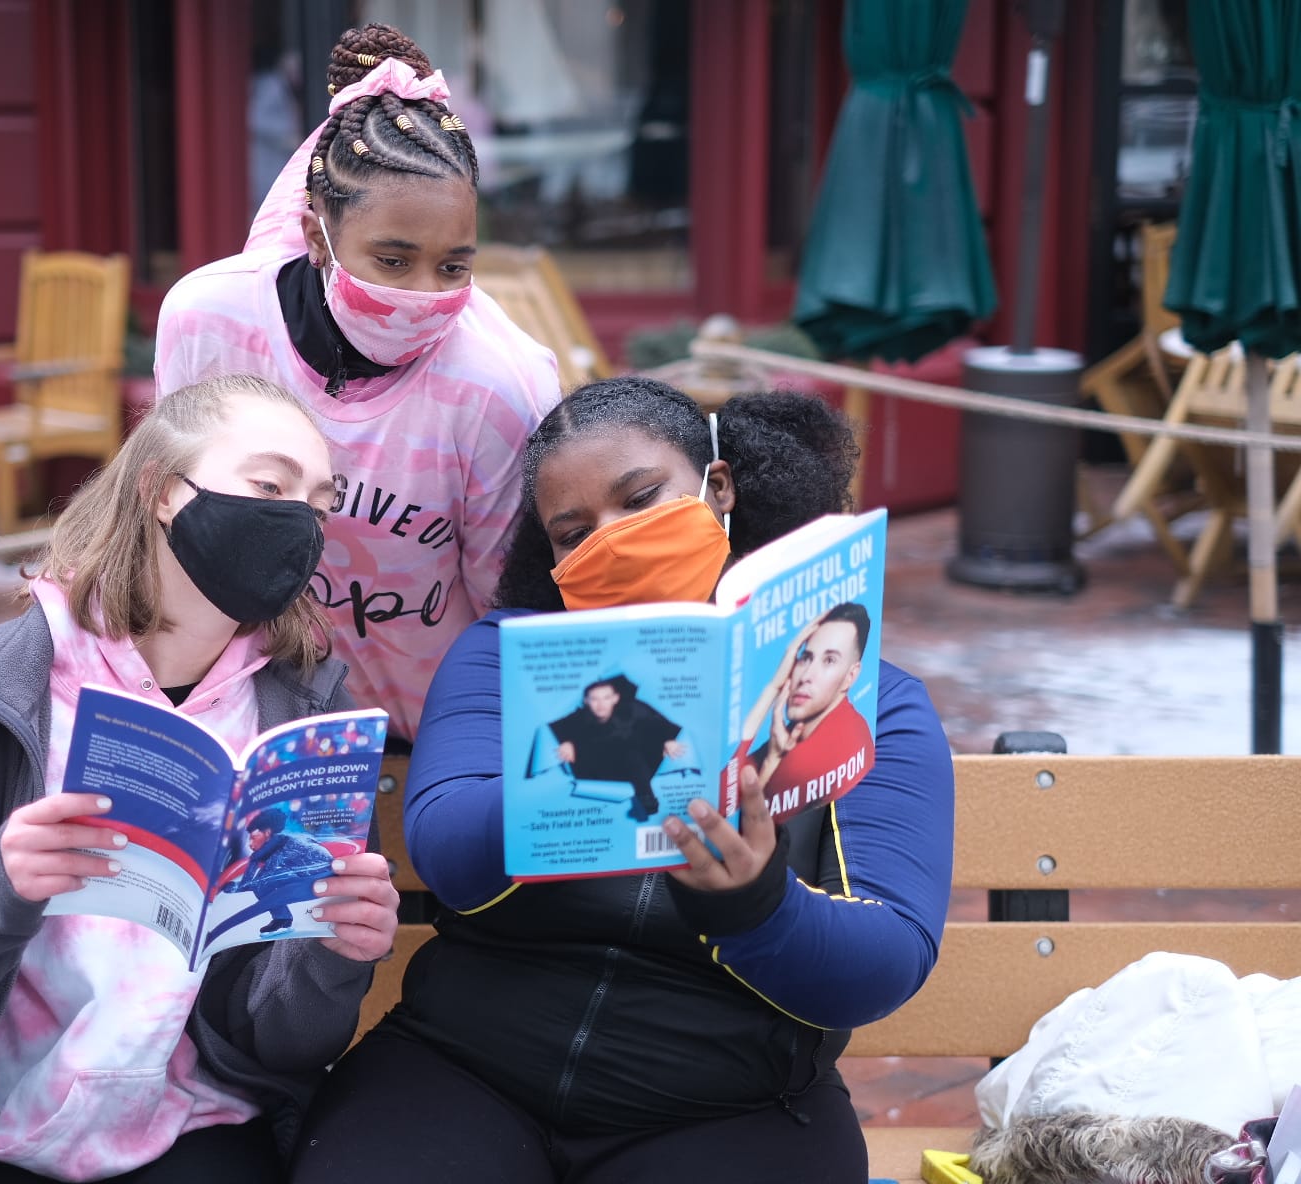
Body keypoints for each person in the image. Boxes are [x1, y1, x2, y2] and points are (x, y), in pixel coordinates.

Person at [290, 378, 955, 1184]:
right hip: (468, 1069)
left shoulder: (857, 695)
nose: (610, 540)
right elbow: (448, 849)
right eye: (573, 533)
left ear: (718, 488)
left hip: (733, 1104)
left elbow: (885, 957)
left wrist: (752, 904)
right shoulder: (509, 654)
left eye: (640, 499)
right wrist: (573, 768)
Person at [0, 375, 399, 1184]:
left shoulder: (302, 722)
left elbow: (279, 1044)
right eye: (268, 486)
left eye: (320, 504)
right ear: (161, 492)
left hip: (193, 1117)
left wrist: (334, 953)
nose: (298, 522)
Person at [154, 22, 562, 743]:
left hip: (434, 736)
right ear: (317, 237)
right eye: (394, 261)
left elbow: (512, 608)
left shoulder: (500, 388)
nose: (425, 294)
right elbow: (162, 523)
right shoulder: (209, 324)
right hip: (243, 719)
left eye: (454, 266)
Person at [740, 603, 875, 808]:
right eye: (805, 657)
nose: (806, 676)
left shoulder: (817, 754)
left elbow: (725, 821)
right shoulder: (794, 734)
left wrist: (771, 763)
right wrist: (775, 685)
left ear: (851, 676)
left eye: (829, 660)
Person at [545, 675, 686, 821]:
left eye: (606, 698)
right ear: (586, 701)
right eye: (594, 699)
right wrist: (567, 742)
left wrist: (668, 740)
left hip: (635, 766)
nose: (601, 704)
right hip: (599, 770)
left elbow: (662, 725)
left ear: (615, 698)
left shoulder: (633, 709)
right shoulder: (579, 716)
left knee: (633, 753)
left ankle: (646, 797)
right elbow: (554, 729)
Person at [224, 807, 341, 935]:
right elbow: (255, 873)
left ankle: (281, 918)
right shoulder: (275, 845)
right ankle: (282, 919)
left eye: (253, 837)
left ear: (267, 833)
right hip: (303, 874)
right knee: (263, 885)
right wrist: (241, 884)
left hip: (321, 876)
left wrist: (239, 887)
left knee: (264, 882)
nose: (250, 844)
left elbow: (265, 876)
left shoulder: (288, 845)